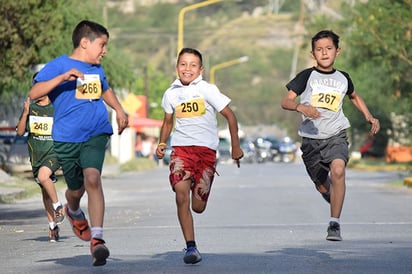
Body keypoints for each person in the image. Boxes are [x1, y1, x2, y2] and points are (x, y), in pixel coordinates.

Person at [29, 20, 128, 266]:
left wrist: (119, 109)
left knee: (93, 178)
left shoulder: (97, 69)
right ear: (85, 42)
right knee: (76, 190)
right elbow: (34, 93)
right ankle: (73, 209)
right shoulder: (59, 65)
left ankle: (97, 240)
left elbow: (105, 89)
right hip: (66, 137)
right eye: (102, 45)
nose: (105, 51)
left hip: (96, 132)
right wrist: (63, 77)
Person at [281, 30, 380, 241]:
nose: (324, 53)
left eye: (329, 48)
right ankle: (329, 194)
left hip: (336, 134)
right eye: (319, 49)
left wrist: (370, 116)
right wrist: (302, 108)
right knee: (322, 185)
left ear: (338, 51)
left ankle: (334, 224)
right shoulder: (307, 76)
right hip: (311, 141)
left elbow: (354, 96)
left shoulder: (343, 78)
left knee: (338, 170)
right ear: (312, 53)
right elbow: (286, 101)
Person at [156, 48, 244, 264]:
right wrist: (161, 142)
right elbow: (168, 121)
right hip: (181, 150)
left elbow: (230, 117)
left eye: (193, 65)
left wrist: (235, 147)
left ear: (201, 69)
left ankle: (197, 187)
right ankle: (191, 247)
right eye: (183, 64)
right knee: (180, 194)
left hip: (205, 153)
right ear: (177, 67)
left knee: (198, 207)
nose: (187, 69)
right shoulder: (171, 93)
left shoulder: (208, 90)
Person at [16, 94, 64, 243]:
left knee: (44, 177)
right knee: (45, 192)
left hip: (54, 152)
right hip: (36, 156)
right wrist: (25, 113)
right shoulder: (31, 108)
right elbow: (19, 132)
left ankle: (58, 207)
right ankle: (52, 226)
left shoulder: (56, 108)